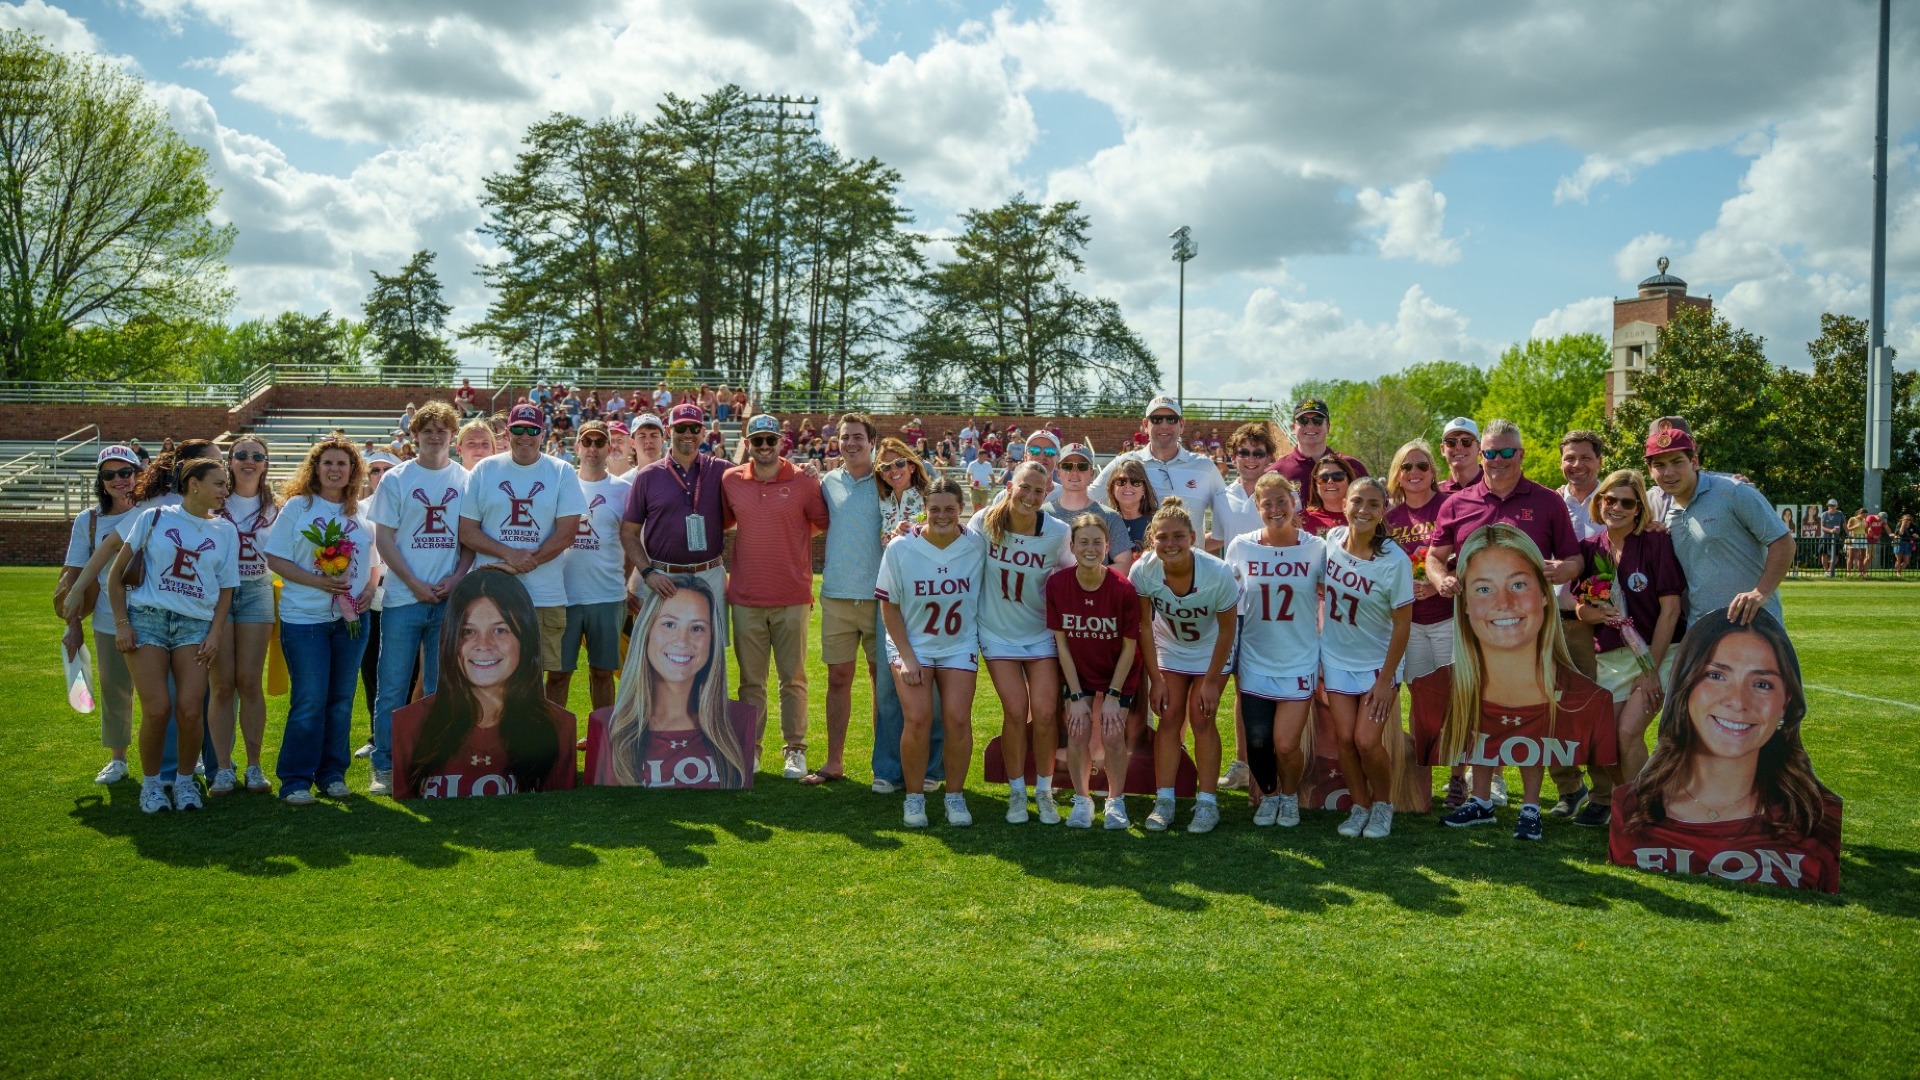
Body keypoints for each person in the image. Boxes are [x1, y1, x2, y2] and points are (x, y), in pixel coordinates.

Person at [1609, 611, 1840, 893]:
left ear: (1786, 702)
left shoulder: (1816, 818)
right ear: (1686, 685)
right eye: (1716, 675)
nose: (1737, 701)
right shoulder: (1634, 809)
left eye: (1762, 684)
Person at [1415, 524, 1618, 841]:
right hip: (1474, 672)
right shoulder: (1437, 687)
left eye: (1519, 584)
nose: (1504, 602)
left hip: (1545, 674)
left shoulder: (1586, 698)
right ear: (1465, 602)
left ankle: (1531, 808)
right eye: (1484, 589)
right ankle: (1480, 801)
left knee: (1532, 728)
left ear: (1544, 596)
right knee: (1480, 719)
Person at [109, 457, 241, 814]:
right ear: (193, 484)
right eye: (218, 483)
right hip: (147, 620)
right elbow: (116, 575)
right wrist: (123, 624)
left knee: (189, 710)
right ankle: (151, 786)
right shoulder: (154, 517)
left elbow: (226, 589)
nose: (225, 491)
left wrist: (215, 634)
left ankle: (185, 783)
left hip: (195, 626)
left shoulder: (226, 530)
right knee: (157, 708)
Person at [818, 414, 941, 795]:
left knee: (905, 685)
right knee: (862, 683)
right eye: (845, 437)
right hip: (860, 596)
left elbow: (938, 508)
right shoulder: (844, 485)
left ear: (871, 441)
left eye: (858, 437)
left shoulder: (906, 487)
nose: (851, 443)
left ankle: (909, 767)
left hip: (903, 599)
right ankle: (860, 765)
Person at [264, 438, 380, 804]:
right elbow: (275, 559)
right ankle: (295, 780)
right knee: (310, 700)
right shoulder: (299, 507)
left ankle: (332, 774)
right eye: (327, 463)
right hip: (306, 620)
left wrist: (368, 590)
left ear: (353, 471)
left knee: (342, 700)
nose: (335, 469)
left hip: (352, 622)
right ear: (315, 468)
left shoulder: (361, 515)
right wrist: (318, 582)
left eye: (342, 464)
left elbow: (375, 563)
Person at [392, 569, 575, 798]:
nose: (484, 644)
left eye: (500, 630)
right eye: (468, 631)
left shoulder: (559, 726)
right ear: (451, 639)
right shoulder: (409, 725)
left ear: (524, 638)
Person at [368, 403, 470, 796]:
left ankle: (432, 762)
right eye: (426, 430)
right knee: (392, 685)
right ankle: (386, 765)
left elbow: (468, 540)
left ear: (451, 436)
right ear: (415, 435)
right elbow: (385, 538)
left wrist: (457, 578)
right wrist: (412, 582)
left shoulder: (465, 479)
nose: (434, 436)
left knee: (439, 687)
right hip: (402, 598)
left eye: (442, 429)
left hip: (447, 597)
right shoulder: (396, 479)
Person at [723, 414, 830, 780]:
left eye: (770, 440)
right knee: (751, 681)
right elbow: (719, 522)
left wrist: (790, 539)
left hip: (792, 596)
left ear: (781, 442)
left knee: (793, 678)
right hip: (746, 597)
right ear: (748, 444)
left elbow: (820, 522)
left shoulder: (802, 480)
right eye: (757, 441)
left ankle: (795, 749)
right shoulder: (731, 480)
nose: (764, 447)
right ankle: (751, 749)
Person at [460, 403, 586, 708]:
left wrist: (522, 564)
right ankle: (494, 748)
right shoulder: (485, 470)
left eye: (532, 430)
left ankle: (541, 747)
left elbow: (568, 532)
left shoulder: (561, 471)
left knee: (543, 676)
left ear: (542, 434)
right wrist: (510, 556)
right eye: (518, 429)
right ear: (507, 432)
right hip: (491, 596)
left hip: (545, 595)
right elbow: (467, 531)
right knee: (493, 676)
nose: (525, 436)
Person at [877, 477, 986, 828]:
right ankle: (914, 798)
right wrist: (908, 656)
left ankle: (955, 796)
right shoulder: (900, 547)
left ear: (962, 509)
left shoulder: (977, 544)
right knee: (919, 718)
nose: (942, 515)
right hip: (913, 643)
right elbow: (889, 607)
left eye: (950, 509)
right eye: (935, 508)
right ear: (924, 509)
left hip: (958, 643)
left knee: (956, 718)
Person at [1130, 496, 1240, 833]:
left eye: (1178, 536)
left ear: (1193, 537)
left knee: (1202, 717)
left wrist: (1209, 681)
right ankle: (1164, 800)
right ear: (1152, 540)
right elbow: (1144, 626)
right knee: (1169, 715)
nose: (1170, 543)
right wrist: (1156, 679)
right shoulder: (1143, 570)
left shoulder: (1217, 572)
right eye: (1162, 537)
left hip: (1211, 649)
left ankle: (1207, 803)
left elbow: (1227, 630)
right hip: (1171, 648)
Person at [972, 460, 1073, 824]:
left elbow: (1077, 571)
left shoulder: (1057, 531)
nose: (1030, 496)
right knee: (1016, 710)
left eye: (1038, 491)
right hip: (997, 632)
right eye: (1024, 487)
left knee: (1046, 713)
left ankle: (1043, 791)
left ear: (1047, 495)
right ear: (1010, 485)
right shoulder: (983, 522)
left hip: (1040, 633)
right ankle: (1017, 792)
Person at [1574, 468, 1686, 792]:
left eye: (1627, 503)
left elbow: (1671, 610)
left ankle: (1641, 813)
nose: (1617, 508)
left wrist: (1650, 669)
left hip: (1657, 654)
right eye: (1611, 500)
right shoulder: (1589, 548)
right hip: (1611, 657)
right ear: (1600, 501)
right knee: (1604, 741)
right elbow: (1579, 608)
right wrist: (1595, 614)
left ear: (1639, 508)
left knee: (1627, 733)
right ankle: (1635, 802)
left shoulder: (1655, 542)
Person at [1223, 473, 1324, 828]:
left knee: (1285, 744)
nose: (1275, 509)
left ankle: (1289, 795)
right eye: (1267, 503)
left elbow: (1331, 600)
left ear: (1294, 502)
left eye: (1282, 501)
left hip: (1299, 658)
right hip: (1255, 657)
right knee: (1258, 742)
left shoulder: (1315, 547)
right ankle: (1267, 795)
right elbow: (1227, 601)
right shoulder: (1241, 545)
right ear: (1257, 507)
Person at [1317, 477, 1414, 839]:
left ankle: (1383, 806)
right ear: (1344, 504)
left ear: (1383, 510)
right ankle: (1359, 806)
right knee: (1344, 738)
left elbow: (1403, 625)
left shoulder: (1396, 561)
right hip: (1337, 658)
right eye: (1357, 501)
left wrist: (1386, 680)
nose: (1363, 510)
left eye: (1373, 504)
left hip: (1377, 664)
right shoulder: (1331, 542)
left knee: (1367, 740)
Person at [596, 575, 757, 788]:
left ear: (712, 639)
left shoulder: (738, 721)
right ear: (647, 631)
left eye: (697, 628)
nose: (682, 641)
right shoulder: (607, 727)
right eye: (669, 624)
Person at [1047, 514, 1142, 829]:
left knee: (1113, 734)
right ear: (1072, 546)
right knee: (1077, 731)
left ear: (1108, 546)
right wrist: (1075, 695)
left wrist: (1113, 696)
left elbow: (1129, 648)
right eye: (1083, 542)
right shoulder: (1058, 584)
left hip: (1119, 671)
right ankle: (1082, 800)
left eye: (1097, 542)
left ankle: (1115, 802)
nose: (1091, 548)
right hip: (1080, 672)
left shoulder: (1123, 588)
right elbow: (1062, 646)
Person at [1644, 428, 1791, 628]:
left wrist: (1761, 593)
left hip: (1754, 624)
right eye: (1659, 465)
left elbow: (1783, 541)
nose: (1669, 473)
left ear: (1694, 462)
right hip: (1703, 629)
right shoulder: (1670, 515)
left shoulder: (1734, 492)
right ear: (1650, 471)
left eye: (1677, 462)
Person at [1207, 420, 1285, 792]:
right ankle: (1241, 763)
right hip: (1230, 605)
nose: (1251, 459)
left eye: (1258, 453)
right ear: (1232, 457)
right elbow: (1216, 542)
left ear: (1270, 457)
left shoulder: (1283, 495)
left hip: (1272, 607)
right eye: (1243, 453)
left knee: (1257, 687)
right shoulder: (1222, 497)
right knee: (1230, 685)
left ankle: (1269, 762)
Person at [57, 446, 142, 785]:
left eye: (125, 472)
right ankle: (118, 759)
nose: (119, 480)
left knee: (168, 690)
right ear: (101, 482)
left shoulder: (158, 509)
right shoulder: (89, 521)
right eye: (110, 475)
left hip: (159, 615)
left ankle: (182, 755)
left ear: (138, 473)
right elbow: (74, 574)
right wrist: (73, 625)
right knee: (115, 689)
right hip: (109, 617)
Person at [1383, 438, 1458, 806]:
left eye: (1422, 466)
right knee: (1419, 700)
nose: (1414, 473)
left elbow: (1469, 555)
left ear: (1433, 472)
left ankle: (1459, 778)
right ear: (1397, 474)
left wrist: (1438, 580)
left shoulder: (1451, 506)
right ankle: (1422, 778)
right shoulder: (1388, 519)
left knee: (1456, 699)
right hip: (1408, 623)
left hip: (1447, 617)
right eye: (1407, 467)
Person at [623, 403, 730, 644]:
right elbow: (629, 532)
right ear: (670, 431)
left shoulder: (722, 470)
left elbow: (761, 476)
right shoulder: (648, 475)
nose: (688, 434)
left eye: (694, 428)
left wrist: (802, 471)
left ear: (703, 431)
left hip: (710, 574)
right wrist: (648, 573)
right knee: (661, 656)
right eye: (681, 428)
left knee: (712, 657)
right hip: (663, 578)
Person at [546, 420, 630, 722]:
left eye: (599, 442)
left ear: (610, 447)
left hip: (607, 596)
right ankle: (552, 744)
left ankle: (602, 743)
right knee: (557, 674)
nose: (593, 448)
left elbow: (630, 541)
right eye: (587, 441)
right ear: (577, 446)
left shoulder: (623, 490)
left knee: (603, 672)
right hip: (562, 595)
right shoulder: (559, 483)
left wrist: (624, 581)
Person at [210, 435, 280, 795]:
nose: (248, 461)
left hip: (256, 590)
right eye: (241, 455)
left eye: (256, 456)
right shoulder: (214, 499)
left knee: (250, 682)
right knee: (221, 685)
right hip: (217, 595)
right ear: (230, 461)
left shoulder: (276, 506)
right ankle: (223, 767)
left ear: (265, 463)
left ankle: (254, 766)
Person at [1548, 429, 1612, 820]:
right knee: (1552, 706)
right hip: (1553, 619)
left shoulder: (1616, 498)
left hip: (1600, 624)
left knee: (1596, 708)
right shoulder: (1551, 502)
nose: (1577, 465)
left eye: (1585, 457)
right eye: (1570, 458)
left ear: (1599, 461)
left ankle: (1604, 794)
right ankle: (1568, 787)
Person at [1089, 396, 1228, 522]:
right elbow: (1085, 500)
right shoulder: (1123, 464)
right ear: (1145, 425)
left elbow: (1229, 519)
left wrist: (1196, 546)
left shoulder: (1205, 466)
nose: (1164, 425)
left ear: (1182, 425)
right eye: (1156, 420)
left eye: (1171, 420)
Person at [1043, 442, 1134, 572]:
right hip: (1050, 591)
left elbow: (1124, 564)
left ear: (1091, 473)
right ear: (1058, 473)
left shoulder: (1110, 516)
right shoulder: (1042, 515)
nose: (1074, 472)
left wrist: (1085, 580)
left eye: (1082, 466)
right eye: (1067, 466)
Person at [1273, 396, 1368, 489]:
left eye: (1317, 420)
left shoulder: (1353, 467)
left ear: (1328, 426)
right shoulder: (1277, 472)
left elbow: (1378, 503)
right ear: (1293, 428)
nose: (1310, 425)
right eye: (1303, 421)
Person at [876, 438, 930, 541]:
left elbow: (923, 516)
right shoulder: (878, 503)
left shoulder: (930, 499)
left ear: (912, 467)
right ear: (882, 474)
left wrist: (913, 524)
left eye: (899, 463)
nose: (894, 470)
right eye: (886, 467)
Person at [1105, 456, 1157, 556]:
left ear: (1144, 489)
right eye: (1121, 481)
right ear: (1112, 488)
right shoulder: (1106, 523)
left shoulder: (1158, 523)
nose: (1128, 486)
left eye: (1135, 482)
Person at [1300, 453, 1354, 535]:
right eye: (1323, 478)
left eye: (1337, 476)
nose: (1330, 481)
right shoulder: (1301, 519)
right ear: (1315, 485)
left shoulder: (1361, 516)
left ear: (1349, 481)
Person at [1437, 417, 1482, 493]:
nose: (1458, 447)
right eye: (1451, 442)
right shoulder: (1436, 494)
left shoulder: (1498, 486)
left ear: (1479, 447)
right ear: (1442, 449)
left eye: (1466, 441)